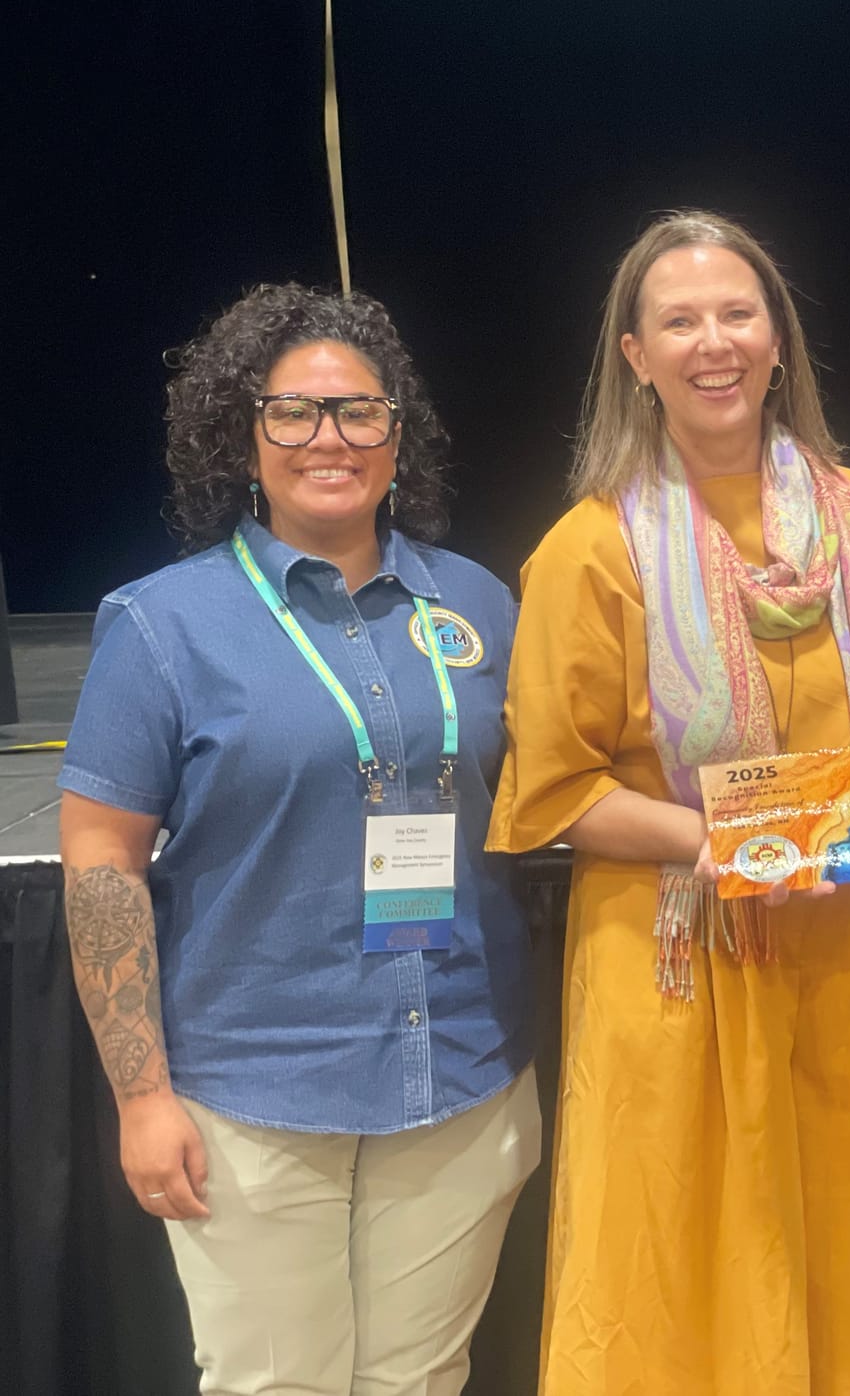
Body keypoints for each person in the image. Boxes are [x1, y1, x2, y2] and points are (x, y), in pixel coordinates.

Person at [487, 210, 850, 1395]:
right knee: (679, 1287)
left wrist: (843, 836)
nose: (714, 343)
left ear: (777, 339)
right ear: (634, 357)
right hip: (677, 963)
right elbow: (555, 791)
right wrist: (733, 841)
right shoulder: (589, 550)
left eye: (737, 314)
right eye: (679, 321)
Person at [58, 284, 538, 1396]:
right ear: (244, 437)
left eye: (360, 411)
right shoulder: (163, 624)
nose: (331, 438)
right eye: (294, 412)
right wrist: (141, 1096)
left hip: (461, 1073)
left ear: (397, 436)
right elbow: (100, 861)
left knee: (424, 1379)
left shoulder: (478, 604)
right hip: (256, 1093)